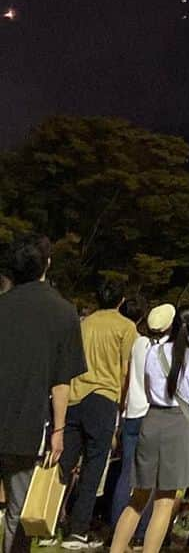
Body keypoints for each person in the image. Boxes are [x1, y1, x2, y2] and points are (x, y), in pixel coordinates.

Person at [0, 234, 87, 553]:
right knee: (19, 512)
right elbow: (61, 381)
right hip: (27, 424)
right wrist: (59, 430)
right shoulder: (63, 312)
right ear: (46, 265)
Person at [109, 305, 189, 553]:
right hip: (179, 423)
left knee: (137, 498)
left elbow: (148, 389)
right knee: (164, 502)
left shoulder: (154, 351)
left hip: (152, 418)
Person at [60, 277, 139, 546]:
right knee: (94, 467)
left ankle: (50, 518)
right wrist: (123, 404)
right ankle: (78, 528)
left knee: (65, 466)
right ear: (121, 301)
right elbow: (127, 370)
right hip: (104, 398)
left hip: (74, 396)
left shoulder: (84, 324)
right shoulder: (126, 328)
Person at [109, 303, 174, 546]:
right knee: (150, 482)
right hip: (152, 415)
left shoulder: (138, 343)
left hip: (131, 413)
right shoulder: (167, 350)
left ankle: (118, 527)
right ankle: (140, 532)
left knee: (128, 473)